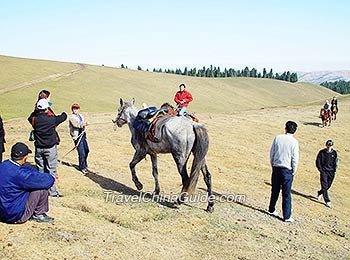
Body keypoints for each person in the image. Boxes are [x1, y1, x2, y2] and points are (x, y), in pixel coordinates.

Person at [0, 142, 55, 223]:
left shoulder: (3, 165)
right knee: (41, 189)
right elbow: (48, 181)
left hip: (2, 211)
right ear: (25, 157)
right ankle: (39, 214)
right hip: (15, 215)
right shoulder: (21, 174)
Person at [28, 99, 67, 197]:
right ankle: (52, 192)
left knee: (40, 169)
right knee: (51, 170)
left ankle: (41, 190)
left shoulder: (34, 119)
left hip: (39, 148)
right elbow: (63, 117)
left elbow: (30, 117)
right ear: (46, 109)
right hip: (50, 148)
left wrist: (36, 110)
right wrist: (64, 113)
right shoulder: (51, 119)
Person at [268, 121, 299, 222]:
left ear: (285, 128)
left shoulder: (278, 138)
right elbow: (295, 158)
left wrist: (273, 164)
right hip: (287, 169)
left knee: (275, 191)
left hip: (276, 167)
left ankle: (271, 209)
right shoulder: (294, 142)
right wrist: (293, 170)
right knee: (286, 194)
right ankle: (287, 216)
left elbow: (272, 152)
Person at [316, 140, 338, 208]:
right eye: (328, 145)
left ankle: (320, 192)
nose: (329, 147)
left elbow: (335, 162)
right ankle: (327, 200)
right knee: (324, 186)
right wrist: (320, 170)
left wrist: (334, 169)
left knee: (328, 185)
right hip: (324, 171)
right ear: (326, 145)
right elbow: (318, 161)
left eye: (330, 146)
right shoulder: (322, 152)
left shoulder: (334, 153)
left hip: (331, 171)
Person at [69, 103, 90, 174]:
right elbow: (76, 125)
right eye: (74, 108)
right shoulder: (72, 117)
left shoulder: (80, 115)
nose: (75, 110)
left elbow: (82, 123)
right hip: (77, 137)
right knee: (82, 153)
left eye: (76, 108)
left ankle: (84, 163)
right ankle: (82, 167)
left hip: (83, 135)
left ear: (79, 109)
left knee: (87, 150)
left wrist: (85, 125)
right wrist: (84, 124)